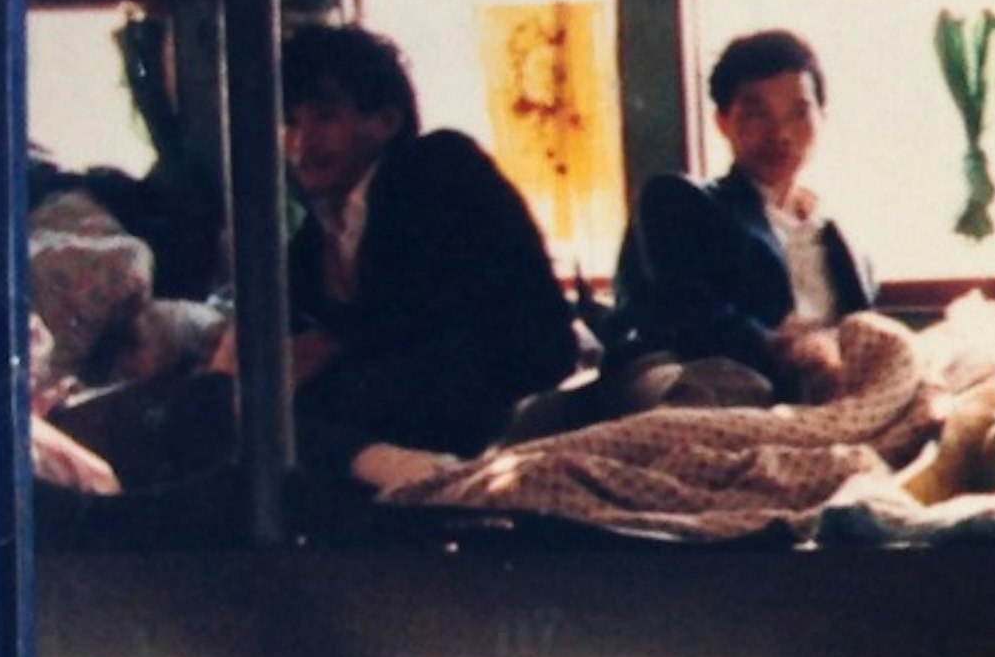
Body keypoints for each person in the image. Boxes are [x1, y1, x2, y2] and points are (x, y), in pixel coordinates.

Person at [247, 25, 575, 479]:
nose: (302, 143)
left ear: (386, 122)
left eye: (324, 117)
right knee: (240, 405)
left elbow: (448, 305)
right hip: (398, 391)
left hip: (483, 375)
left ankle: (401, 471)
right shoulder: (319, 232)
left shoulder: (440, 167)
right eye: (291, 123)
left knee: (278, 418)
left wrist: (331, 346)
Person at [613, 30, 877, 399]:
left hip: (835, 384)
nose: (780, 133)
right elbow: (684, 310)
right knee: (731, 388)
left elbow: (864, 325)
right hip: (732, 376)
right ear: (722, 121)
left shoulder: (838, 233)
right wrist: (783, 349)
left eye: (798, 113)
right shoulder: (680, 200)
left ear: (821, 117)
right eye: (757, 114)